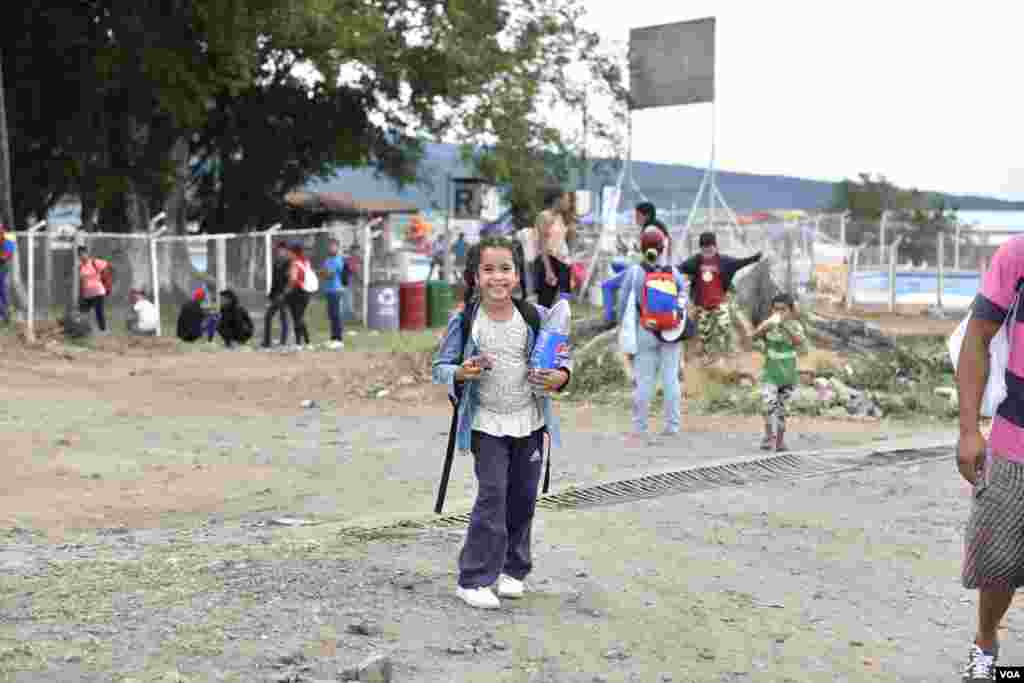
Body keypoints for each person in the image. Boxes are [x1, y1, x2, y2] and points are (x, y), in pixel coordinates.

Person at [432, 235, 572, 610]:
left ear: (517, 275)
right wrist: (461, 371)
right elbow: (440, 368)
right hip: (485, 423)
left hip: (530, 423)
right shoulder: (465, 322)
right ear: (475, 276)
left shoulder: (535, 317)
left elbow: (562, 360)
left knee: (523, 499)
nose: (498, 277)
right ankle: (473, 578)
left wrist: (560, 377)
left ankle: (513, 569)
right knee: (492, 496)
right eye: (489, 270)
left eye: (505, 269)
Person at [955, 236, 1024, 682]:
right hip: (1015, 439)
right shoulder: (1017, 254)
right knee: (997, 562)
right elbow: (977, 337)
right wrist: (967, 431)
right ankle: (986, 643)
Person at [618, 228, 689, 444]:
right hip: (670, 332)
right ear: (662, 248)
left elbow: (623, 302)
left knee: (644, 381)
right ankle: (672, 426)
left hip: (645, 330)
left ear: (641, 247)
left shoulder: (635, 272)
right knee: (671, 379)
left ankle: (640, 426)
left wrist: (623, 325)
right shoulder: (672, 272)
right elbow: (684, 296)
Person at [678, 232, 762, 366]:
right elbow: (680, 268)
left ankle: (726, 354)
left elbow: (740, 263)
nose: (707, 251)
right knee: (704, 334)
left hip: (720, 303)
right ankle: (707, 358)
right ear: (701, 248)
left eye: (710, 247)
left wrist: (754, 259)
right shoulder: (696, 261)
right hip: (702, 305)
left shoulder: (723, 261)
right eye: (704, 248)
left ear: (715, 246)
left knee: (724, 326)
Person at [751, 293, 808, 452]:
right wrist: (763, 330)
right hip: (771, 374)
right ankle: (769, 437)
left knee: (783, 411)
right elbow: (753, 338)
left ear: (791, 311)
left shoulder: (795, 326)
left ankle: (780, 442)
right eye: (775, 309)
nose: (779, 313)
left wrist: (783, 326)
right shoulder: (768, 324)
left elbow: (799, 343)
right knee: (767, 406)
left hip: (788, 376)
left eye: (783, 310)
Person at [532, 204, 572, 308]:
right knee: (545, 303)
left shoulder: (560, 217)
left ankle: (558, 322)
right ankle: (540, 322)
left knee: (564, 302)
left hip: (564, 261)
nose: (566, 201)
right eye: (564, 198)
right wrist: (548, 270)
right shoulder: (544, 216)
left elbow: (562, 241)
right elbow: (542, 243)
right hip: (549, 260)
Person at [262, 241, 292, 348]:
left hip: (285, 295)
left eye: (281, 250)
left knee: (283, 318)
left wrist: (284, 294)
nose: (279, 252)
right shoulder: (276, 263)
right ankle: (266, 342)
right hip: (276, 295)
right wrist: (270, 295)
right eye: (278, 250)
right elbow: (274, 281)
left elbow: (290, 281)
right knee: (268, 316)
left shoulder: (289, 262)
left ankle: (284, 342)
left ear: (285, 251)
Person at [321, 238, 348, 350]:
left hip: (336, 290)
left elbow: (329, 275)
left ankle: (339, 339)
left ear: (337, 247)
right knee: (331, 315)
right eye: (330, 246)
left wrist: (325, 273)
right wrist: (325, 273)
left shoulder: (338, 260)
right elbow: (323, 273)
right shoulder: (327, 260)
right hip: (328, 290)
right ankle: (333, 338)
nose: (331, 248)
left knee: (336, 315)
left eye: (333, 246)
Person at [285, 242, 314, 348]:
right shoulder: (306, 262)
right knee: (300, 317)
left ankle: (298, 343)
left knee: (297, 317)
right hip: (306, 292)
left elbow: (293, 279)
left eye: (289, 252)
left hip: (296, 292)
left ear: (293, 253)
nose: (288, 253)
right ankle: (307, 342)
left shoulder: (294, 263)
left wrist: (287, 290)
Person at [78, 247, 112, 332]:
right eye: (80, 254)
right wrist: (81, 294)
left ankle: (103, 330)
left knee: (98, 312)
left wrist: (107, 284)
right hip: (87, 294)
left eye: (83, 253)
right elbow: (82, 281)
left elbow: (107, 267)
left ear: (87, 253)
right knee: (83, 312)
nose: (82, 256)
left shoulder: (94, 262)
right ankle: (84, 330)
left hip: (98, 292)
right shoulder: (81, 266)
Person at [0, 227, 14, 324]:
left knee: (3, 291)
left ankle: (7, 314)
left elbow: (6, 256)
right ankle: (5, 314)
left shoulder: (7, 242)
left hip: (3, 271)